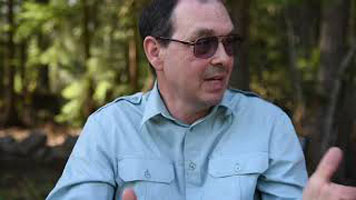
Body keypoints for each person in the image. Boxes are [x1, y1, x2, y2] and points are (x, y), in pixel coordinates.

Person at [46, 0, 356, 199]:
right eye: (204, 43)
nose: (223, 58)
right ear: (155, 52)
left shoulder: (269, 124)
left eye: (229, 42)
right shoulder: (109, 128)